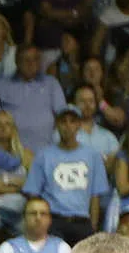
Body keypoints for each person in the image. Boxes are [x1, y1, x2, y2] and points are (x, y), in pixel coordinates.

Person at [24, 103, 110, 244]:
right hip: (53, 220)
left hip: (82, 220)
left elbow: (95, 196)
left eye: (72, 121)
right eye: (63, 121)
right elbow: (34, 194)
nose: (68, 126)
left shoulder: (93, 156)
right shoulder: (43, 155)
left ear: (79, 125)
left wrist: (92, 227)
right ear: (57, 125)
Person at [0, 195, 68, 253]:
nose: (38, 218)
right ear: (24, 218)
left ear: (49, 219)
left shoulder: (62, 248)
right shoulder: (8, 248)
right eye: (33, 213)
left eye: (43, 214)